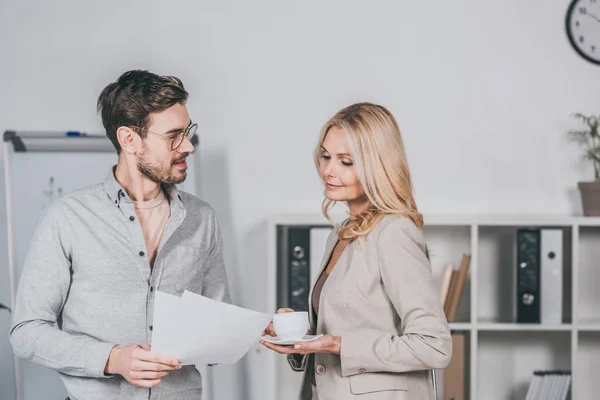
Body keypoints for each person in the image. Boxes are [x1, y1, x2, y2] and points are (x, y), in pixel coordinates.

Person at [9, 70, 231, 400]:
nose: (187, 146)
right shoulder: (67, 218)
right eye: (173, 136)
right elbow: (26, 332)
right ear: (129, 139)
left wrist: (248, 333)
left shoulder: (202, 218)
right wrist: (113, 358)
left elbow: (216, 324)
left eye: (188, 132)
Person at [261, 102, 452, 399]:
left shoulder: (394, 232)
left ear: (378, 166)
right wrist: (298, 338)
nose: (328, 170)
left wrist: (339, 345)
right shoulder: (341, 233)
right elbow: (342, 330)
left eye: (345, 161)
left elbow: (433, 346)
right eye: (325, 157)